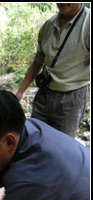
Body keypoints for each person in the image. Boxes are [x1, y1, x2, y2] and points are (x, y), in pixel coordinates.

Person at [16, 3, 90, 138]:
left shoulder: (88, 23)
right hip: (45, 93)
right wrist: (20, 92)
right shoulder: (48, 25)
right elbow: (38, 61)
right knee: (35, 139)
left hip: (72, 97)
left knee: (62, 147)